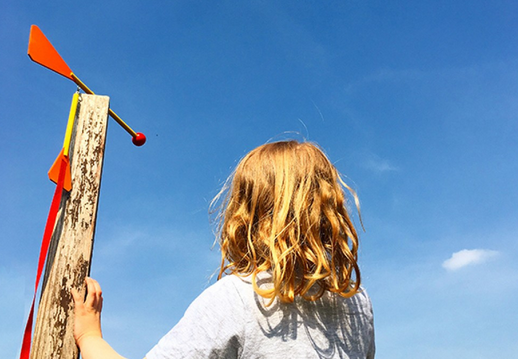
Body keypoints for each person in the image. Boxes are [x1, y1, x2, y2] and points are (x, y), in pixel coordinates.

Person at [73, 140, 375, 358]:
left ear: (247, 215)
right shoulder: (357, 305)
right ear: (331, 208)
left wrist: (89, 336)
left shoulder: (237, 299)